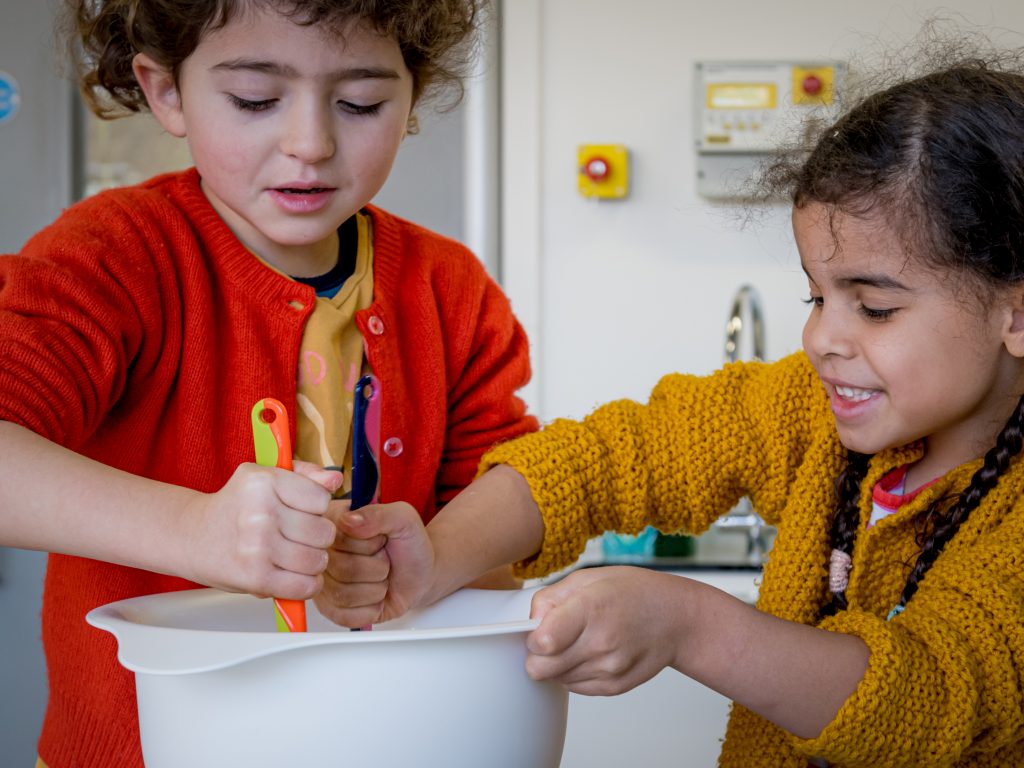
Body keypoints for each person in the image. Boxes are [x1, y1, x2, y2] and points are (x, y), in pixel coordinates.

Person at [322, 57, 1024, 767]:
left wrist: (691, 625)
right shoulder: (805, 411)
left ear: (1016, 313)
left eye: (873, 307)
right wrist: (436, 557)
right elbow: (608, 456)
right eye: (816, 298)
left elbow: (931, 699)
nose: (821, 339)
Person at [0, 1, 535, 766]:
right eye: (255, 99)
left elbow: (503, 512)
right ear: (166, 92)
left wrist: (438, 550)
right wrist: (193, 530)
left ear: (413, 96)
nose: (309, 145)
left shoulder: (452, 290)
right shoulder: (114, 257)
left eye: (360, 103)